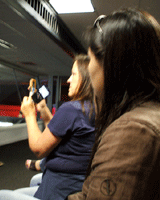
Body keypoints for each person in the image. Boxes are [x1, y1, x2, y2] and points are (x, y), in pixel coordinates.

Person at [68, 8, 160, 199]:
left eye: (91, 58)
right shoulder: (147, 113)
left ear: (110, 64)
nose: (89, 67)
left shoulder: (133, 130)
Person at [0, 54, 95, 200]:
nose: (69, 79)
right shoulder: (92, 109)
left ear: (86, 78)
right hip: (77, 184)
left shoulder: (71, 109)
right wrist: (44, 110)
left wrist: (29, 115)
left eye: (73, 74)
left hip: (60, 189)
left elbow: (38, 148)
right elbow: (56, 133)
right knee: (32, 182)